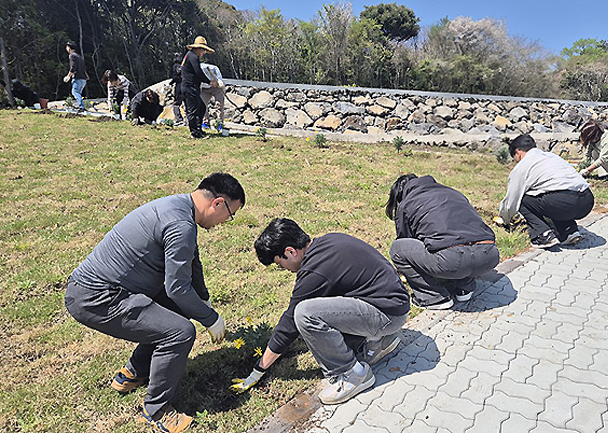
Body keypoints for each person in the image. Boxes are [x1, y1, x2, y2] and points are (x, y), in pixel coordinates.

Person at [65, 173, 245, 433]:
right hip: (96, 297)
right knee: (180, 333)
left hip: (110, 289)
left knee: (177, 309)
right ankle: (156, 411)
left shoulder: (179, 207)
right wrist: (210, 319)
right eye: (230, 214)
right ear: (217, 203)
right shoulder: (181, 224)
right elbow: (177, 288)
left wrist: (203, 298)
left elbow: (192, 261)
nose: (226, 222)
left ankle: (134, 372)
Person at [231, 218, 410, 405]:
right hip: (395, 304)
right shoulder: (329, 240)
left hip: (387, 315)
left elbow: (289, 324)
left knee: (305, 313)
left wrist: (258, 370)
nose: (283, 269)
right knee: (321, 308)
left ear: (290, 252)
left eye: (279, 264)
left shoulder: (314, 271)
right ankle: (378, 343)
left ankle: (351, 375)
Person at [385, 174, 500, 310]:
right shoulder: (453, 193)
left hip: (453, 260)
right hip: (489, 256)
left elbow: (406, 239)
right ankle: (465, 289)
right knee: (460, 239)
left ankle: (433, 298)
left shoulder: (407, 202)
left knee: (397, 250)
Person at [499, 134, 594, 248]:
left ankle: (543, 235)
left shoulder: (522, 166)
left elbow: (512, 200)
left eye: (514, 157)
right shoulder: (551, 156)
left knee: (523, 199)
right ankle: (569, 232)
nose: (515, 161)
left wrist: (505, 219)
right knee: (550, 195)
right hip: (587, 200)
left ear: (518, 152)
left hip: (565, 202)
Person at [182, 36, 218, 139]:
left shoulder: (192, 56)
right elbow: (198, 72)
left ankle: (198, 129)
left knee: (201, 107)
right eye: (203, 50)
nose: (204, 53)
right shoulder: (192, 57)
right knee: (192, 111)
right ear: (198, 48)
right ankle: (194, 133)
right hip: (189, 87)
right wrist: (209, 81)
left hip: (192, 87)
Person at [200, 62, 226, 128]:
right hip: (204, 88)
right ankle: (205, 122)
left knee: (219, 105)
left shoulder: (212, 68)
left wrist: (219, 82)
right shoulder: (194, 69)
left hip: (216, 87)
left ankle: (219, 123)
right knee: (202, 104)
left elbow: (218, 76)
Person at [64, 41, 88, 112]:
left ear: (69, 48)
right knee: (79, 93)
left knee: (75, 92)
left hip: (78, 78)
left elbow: (73, 67)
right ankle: (82, 106)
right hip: (83, 79)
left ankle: (81, 107)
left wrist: (68, 76)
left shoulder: (72, 56)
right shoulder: (79, 56)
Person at [169, 53, 186, 126]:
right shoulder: (184, 66)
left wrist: (170, 83)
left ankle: (179, 119)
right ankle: (188, 120)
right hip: (186, 86)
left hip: (179, 86)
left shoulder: (175, 66)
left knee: (176, 104)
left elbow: (175, 77)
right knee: (187, 104)